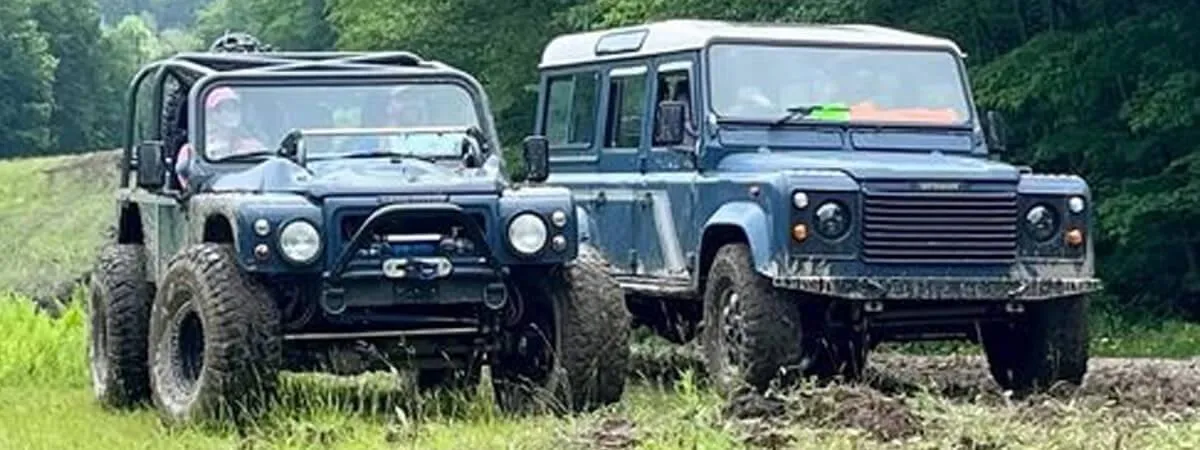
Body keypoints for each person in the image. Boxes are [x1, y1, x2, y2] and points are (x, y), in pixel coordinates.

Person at [173, 86, 265, 189]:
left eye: (234, 107)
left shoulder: (253, 146)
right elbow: (189, 186)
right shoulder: (190, 150)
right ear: (210, 114)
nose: (231, 112)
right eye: (224, 107)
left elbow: (262, 175)